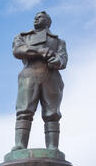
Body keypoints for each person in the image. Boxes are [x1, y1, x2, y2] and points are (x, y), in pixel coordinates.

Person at [12, 11, 68, 151]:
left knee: (52, 114)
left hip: (51, 77)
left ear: (48, 21)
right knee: (24, 111)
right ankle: (20, 145)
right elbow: (18, 50)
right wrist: (38, 52)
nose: (36, 19)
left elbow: (63, 59)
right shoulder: (24, 37)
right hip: (29, 74)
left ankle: (53, 148)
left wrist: (57, 60)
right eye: (35, 17)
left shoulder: (59, 41)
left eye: (40, 17)